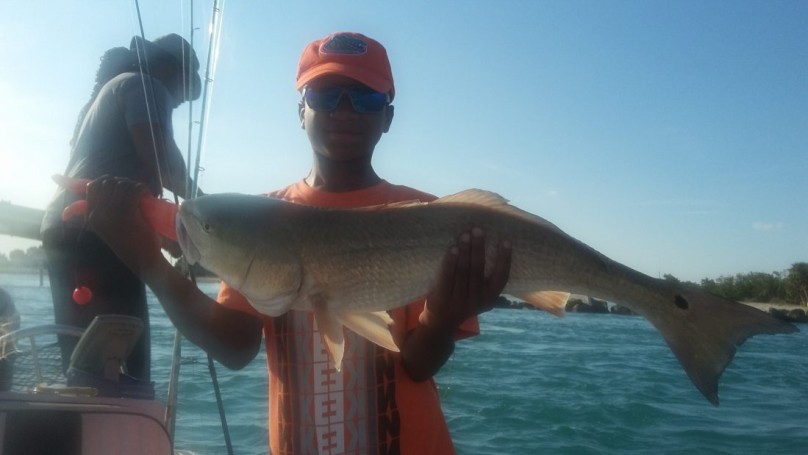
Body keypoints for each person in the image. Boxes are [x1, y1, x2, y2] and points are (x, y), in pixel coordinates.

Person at [83, 31, 512, 454]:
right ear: (300, 110)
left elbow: (418, 364)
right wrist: (150, 264)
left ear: (388, 117)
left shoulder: (431, 217)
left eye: (365, 98)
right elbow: (236, 347)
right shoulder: (258, 220)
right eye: (325, 96)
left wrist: (441, 317)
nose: (344, 110)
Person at [40, 34, 203, 383]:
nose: (173, 105)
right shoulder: (146, 85)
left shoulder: (115, 88)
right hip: (95, 231)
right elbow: (165, 163)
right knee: (126, 361)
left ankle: (90, 425)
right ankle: (125, 422)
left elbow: (135, 180)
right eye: (179, 95)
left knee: (82, 360)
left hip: (72, 230)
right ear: (168, 69)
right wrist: (210, 214)